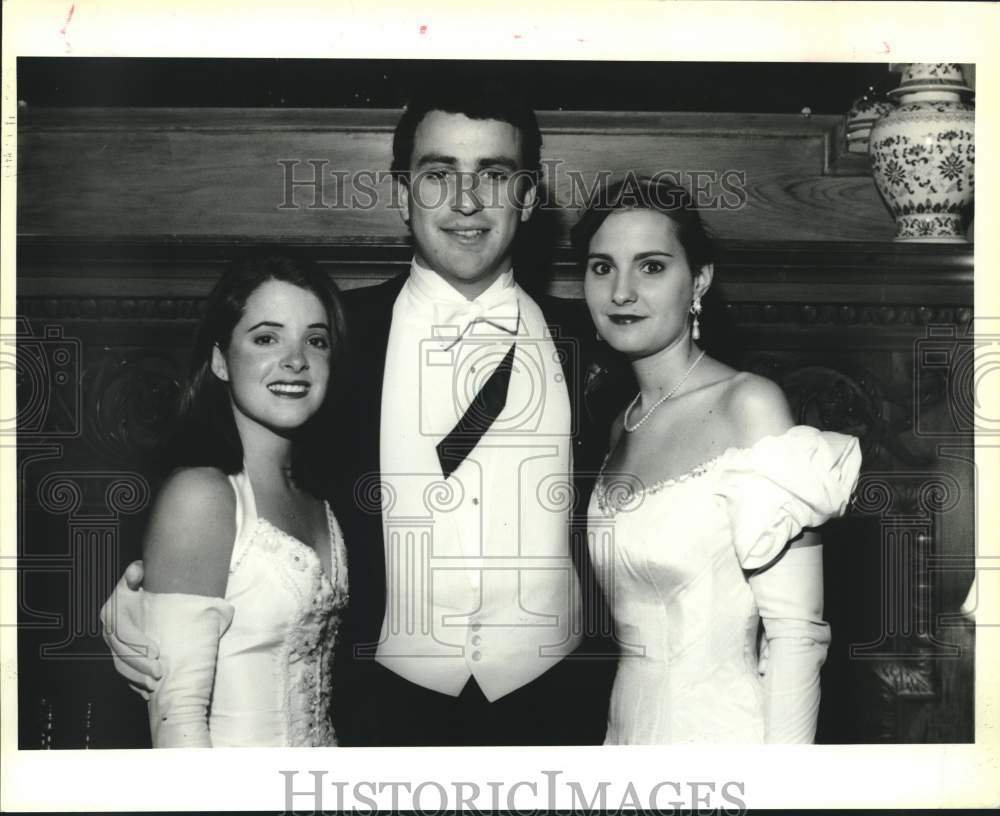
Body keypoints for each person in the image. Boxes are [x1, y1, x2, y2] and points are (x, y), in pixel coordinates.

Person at [102, 77, 613, 747]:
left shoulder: (602, 345)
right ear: (402, 193)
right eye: (438, 174)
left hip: (559, 719)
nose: (465, 200)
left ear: (527, 194)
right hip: (375, 720)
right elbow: (204, 469)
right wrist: (129, 598)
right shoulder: (331, 335)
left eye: (494, 173)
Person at [573, 176, 861, 743]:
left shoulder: (749, 404)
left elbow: (797, 637)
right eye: (602, 267)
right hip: (623, 735)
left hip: (723, 742)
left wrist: (780, 793)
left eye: (651, 266)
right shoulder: (621, 423)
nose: (621, 292)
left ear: (699, 280)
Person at [106, 255, 350, 747]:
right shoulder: (202, 495)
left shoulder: (321, 498)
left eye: (315, 340)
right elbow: (178, 728)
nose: (295, 359)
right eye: (266, 337)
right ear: (220, 359)